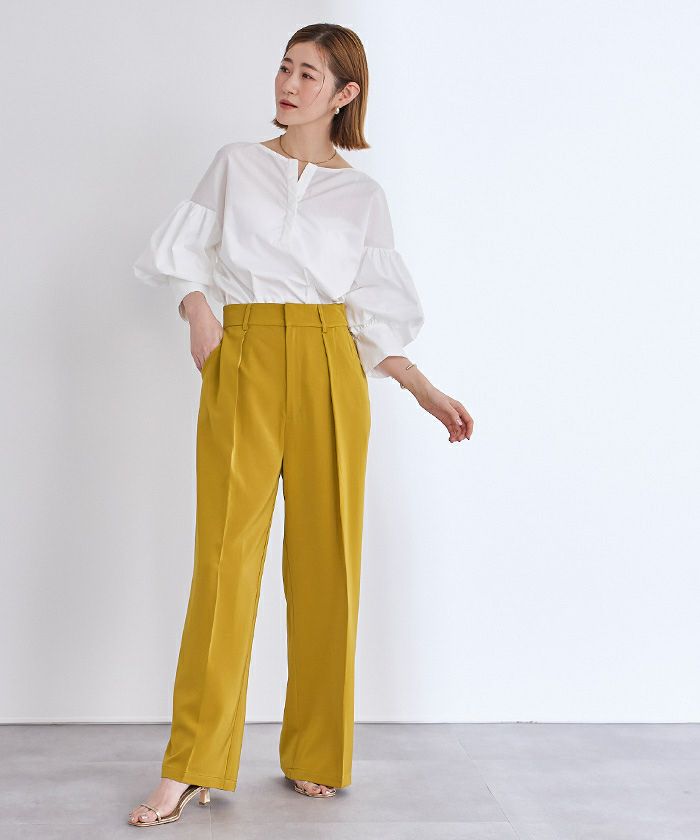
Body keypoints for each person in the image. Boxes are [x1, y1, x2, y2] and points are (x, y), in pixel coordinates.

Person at [128, 22, 473, 828]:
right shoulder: (235, 164)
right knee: (224, 563)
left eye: (309, 74)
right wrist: (198, 313)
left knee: (328, 565)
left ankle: (317, 751)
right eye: (285, 68)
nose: (288, 84)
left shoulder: (363, 197)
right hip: (244, 357)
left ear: (344, 94)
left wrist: (420, 385)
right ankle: (190, 764)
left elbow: (373, 317)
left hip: (329, 365)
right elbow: (182, 258)